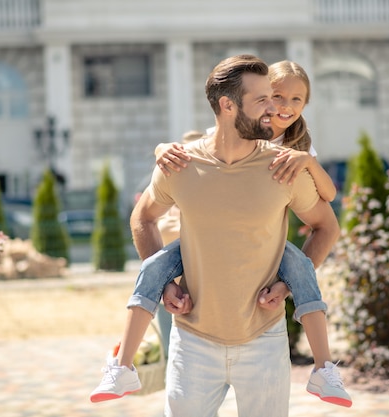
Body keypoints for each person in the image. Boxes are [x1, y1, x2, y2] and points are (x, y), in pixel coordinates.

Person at [89, 61, 352, 408]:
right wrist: (167, 285)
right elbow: (143, 218)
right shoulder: (180, 164)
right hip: (192, 343)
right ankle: (123, 365)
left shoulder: (285, 165)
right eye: (263, 100)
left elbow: (327, 225)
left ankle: (324, 368)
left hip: (265, 341)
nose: (274, 108)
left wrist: (289, 283)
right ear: (228, 106)